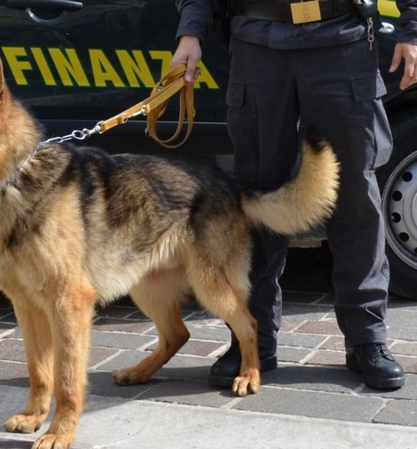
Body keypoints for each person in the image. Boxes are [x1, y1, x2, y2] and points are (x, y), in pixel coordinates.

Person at [171, 0, 417, 389]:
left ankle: (366, 339)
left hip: (340, 41)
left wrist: (413, 30)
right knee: (258, 197)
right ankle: (253, 341)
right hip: (259, 44)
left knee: (355, 198)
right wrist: (191, 32)